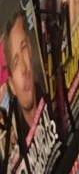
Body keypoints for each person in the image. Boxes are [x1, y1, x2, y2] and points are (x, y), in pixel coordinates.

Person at [4, 12, 44, 140]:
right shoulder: (20, 140)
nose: (24, 68)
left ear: (31, 50)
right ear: (11, 85)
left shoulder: (49, 98)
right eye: (16, 63)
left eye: (24, 48)